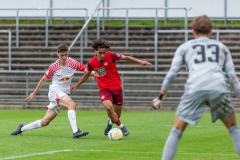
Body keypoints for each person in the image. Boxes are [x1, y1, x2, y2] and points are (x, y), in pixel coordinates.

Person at [156, 15, 240, 159]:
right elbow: (231, 74)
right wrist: (238, 91)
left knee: (177, 130)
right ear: (211, 31)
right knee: (233, 129)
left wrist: (161, 95)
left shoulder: (185, 47)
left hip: (195, 88)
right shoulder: (221, 47)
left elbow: (172, 72)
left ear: (193, 31)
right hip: (218, 88)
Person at [71, 39, 152, 136]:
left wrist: (141, 62)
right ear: (95, 51)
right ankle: (122, 127)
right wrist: (77, 84)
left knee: (117, 115)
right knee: (108, 107)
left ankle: (110, 123)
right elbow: (86, 75)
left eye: (104, 53)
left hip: (117, 88)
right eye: (100, 53)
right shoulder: (91, 62)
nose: (102, 55)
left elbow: (126, 57)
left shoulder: (111, 55)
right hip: (104, 89)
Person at [11, 43, 90, 139]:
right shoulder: (53, 66)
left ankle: (21, 128)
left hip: (63, 94)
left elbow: (87, 71)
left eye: (66, 55)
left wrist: (101, 74)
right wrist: (34, 93)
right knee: (71, 104)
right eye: (62, 55)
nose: (64, 57)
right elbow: (43, 79)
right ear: (58, 54)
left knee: (45, 122)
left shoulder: (73, 63)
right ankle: (75, 131)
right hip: (55, 92)